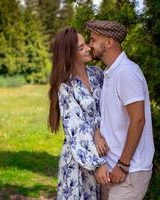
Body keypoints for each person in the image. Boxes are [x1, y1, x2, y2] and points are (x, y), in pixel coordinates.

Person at [85, 20, 155, 200]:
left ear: (109, 42)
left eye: (93, 40)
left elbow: (138, 121)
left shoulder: (126, 72)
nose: (89, 45)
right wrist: (98, 133)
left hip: (129, 171)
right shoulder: (111, 73)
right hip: (111, 169)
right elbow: (113, 119)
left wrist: (123, 165)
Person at [48, 27, 110, 199]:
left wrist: (98, 130)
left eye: (86, 45)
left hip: (102, 153)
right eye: (81, 47)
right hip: (79, 159)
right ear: (69, 54)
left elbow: (109, 110)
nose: (88, 48)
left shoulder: (98, 74)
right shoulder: (66, 87)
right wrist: (97, 164)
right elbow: (77, 128)